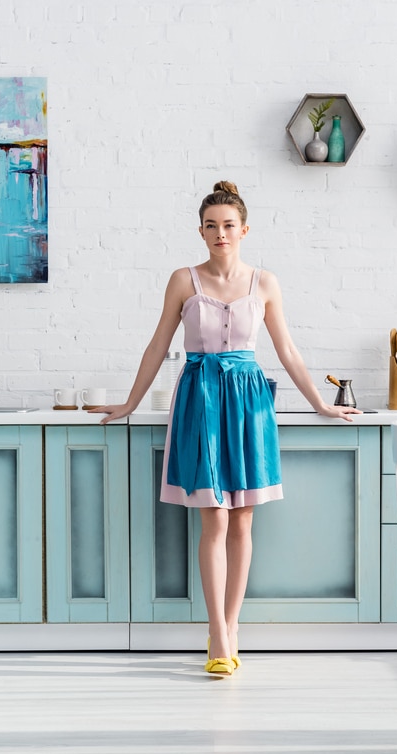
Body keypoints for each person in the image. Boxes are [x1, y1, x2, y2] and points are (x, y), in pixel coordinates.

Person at [97, 180, 361, 677]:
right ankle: (218, 633)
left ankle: (232, 627)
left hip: (248, 401)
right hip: (200, 399)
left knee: (243, 520)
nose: (221, 233)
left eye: (229, 225)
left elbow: (287, 350)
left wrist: (323, 404)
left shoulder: (265, 283)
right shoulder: (183, 280)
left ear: (244, 230)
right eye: (212, 226)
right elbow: (157, 346)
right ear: (201, 231)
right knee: (213, 519)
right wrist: (130, 402)